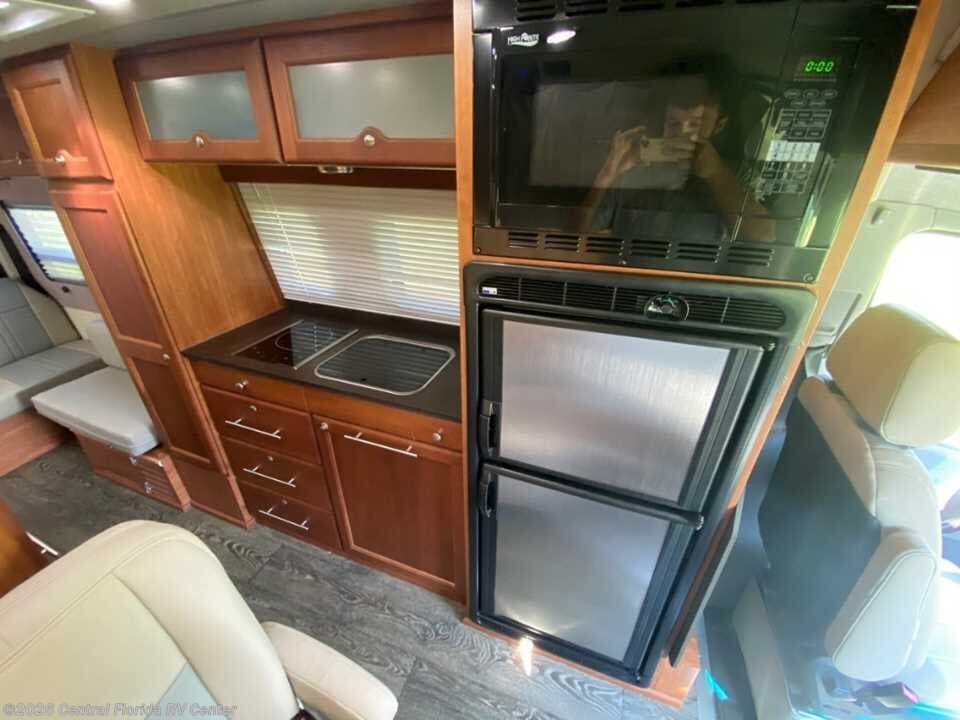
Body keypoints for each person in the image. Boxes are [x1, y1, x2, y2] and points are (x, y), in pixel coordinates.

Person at [580, 61, 776, 244]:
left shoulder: (735, 174)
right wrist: (607, 174)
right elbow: (577, 236)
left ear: (719, 125)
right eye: (674, 123)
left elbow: (765, 237)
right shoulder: (635, 168)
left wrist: (716, 173)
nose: (682, 133)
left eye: (695, 124)